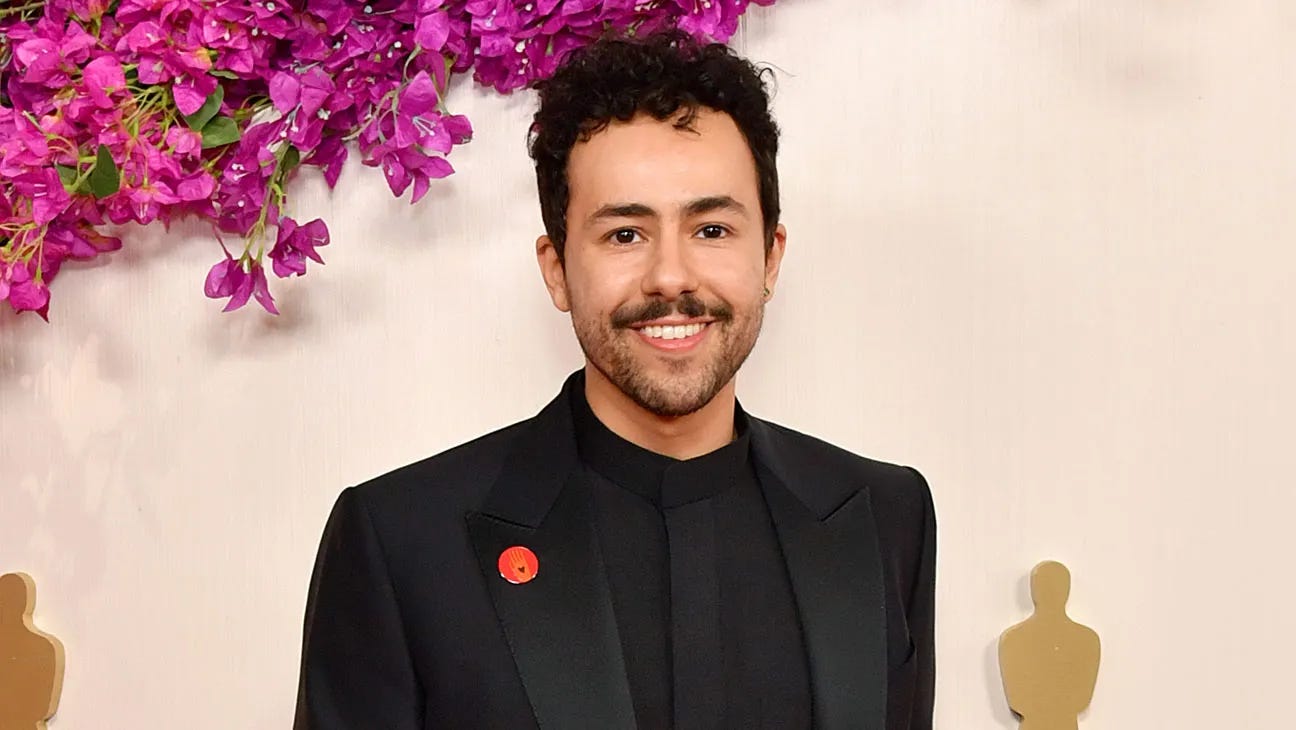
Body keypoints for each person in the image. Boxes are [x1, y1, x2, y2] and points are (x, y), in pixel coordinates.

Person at [294, 30, 936, 730]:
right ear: (557, 269)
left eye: (713, 229)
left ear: (771, 257)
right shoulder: (402, 544)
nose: (671, 277)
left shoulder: (885, 518)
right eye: (625, 234)